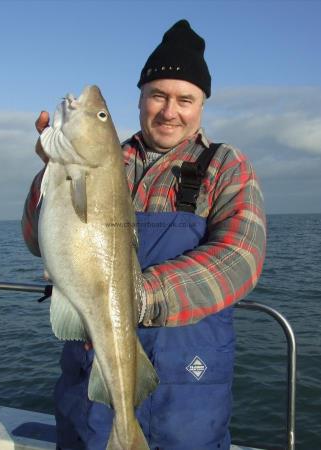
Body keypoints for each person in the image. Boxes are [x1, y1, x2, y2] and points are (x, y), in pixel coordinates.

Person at [22, 19, 266, 450]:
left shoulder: (226, 166)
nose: (170, 111)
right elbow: (36, 240)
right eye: (158, 95)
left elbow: (240, 258)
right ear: (140, 100)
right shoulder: (106, 159)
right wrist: (51, 173)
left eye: (185, 99)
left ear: (201, 105)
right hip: (88, 388)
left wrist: (134, 297)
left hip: (188, 393)